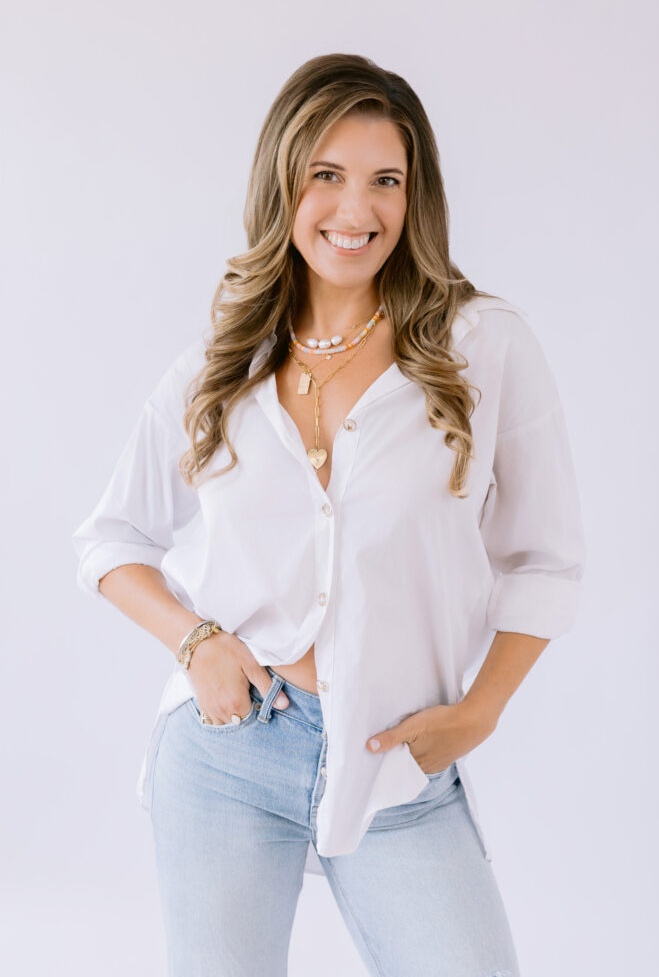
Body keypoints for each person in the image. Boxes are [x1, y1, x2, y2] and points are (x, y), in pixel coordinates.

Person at [72, 52, 586, 977]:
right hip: (225, 753)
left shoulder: (483, 347)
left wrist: (480, 712)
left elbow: (545, 561)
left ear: (414, 194)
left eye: (385, 180)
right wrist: (197, 643)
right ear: (284, 184)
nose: (357, 211)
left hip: (397, 760)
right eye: (327, 176)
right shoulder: (220, 366)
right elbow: (109, 539)